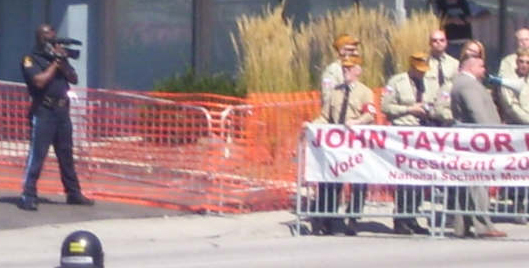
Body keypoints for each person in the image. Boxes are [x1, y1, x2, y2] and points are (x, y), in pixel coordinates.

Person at [19, 24, 94, 211]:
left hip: (62, 112)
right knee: (37, 156)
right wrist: (55, 63)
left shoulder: (57, 58)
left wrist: (62, 61)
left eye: (53, 37)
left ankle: (73, 192)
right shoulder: (31, 59)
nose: (52, 41)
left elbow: (73, 78)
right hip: (44, 111)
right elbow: (39, 81)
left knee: (66, 154)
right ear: (39, 38)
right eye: (48, 38)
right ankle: (28, 195)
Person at [310, 55, 376, 236]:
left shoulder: (365, 92)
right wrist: (312, 126)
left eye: (350, 68)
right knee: (331, 181)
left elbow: (370, 114)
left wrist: (358, 121)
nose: (345, 71)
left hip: (356, 144)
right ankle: (327, 219)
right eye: (344, 68)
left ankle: (353, 218)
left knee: (358, 183)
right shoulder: (335, 92)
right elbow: (325, 116)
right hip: (337, 145)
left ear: (358, 71)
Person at [381, 52, 439, 235]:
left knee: (422, 177)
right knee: (405, 178)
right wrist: (409, 109)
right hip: (403, 133)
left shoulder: (431, 81)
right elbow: (386, 107)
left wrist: (429, 109)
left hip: (423, 132)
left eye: (424, 71)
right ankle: (401, 218)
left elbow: (437, 102)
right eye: (418, 70)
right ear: (412, 67)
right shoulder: (397, 82)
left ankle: (413, 215)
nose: (422, 74)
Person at [450, 55, 507, 238]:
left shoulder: (463, 83)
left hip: (470, 140)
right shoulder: (468, 84)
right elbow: (476, 111)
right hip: (476, 141)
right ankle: (483, 226)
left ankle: (462, 226)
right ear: (471, 67)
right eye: (481, 66)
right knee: (478, 183)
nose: (484, 70)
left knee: (468, 184)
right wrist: (490, 133)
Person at [498, 48, 529, 224]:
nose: (524, 65)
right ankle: (517, 205)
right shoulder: (509, 82)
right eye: (521, 62)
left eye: (527, 62)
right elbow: (511, 107)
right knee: (516, 168)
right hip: (517, 129)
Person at [320, 34, 360, 106]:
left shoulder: (355, 69)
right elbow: (328, 99)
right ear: (342, 51)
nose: (355, 52)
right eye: (351, 50)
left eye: (356, 49)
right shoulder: (332, 71)